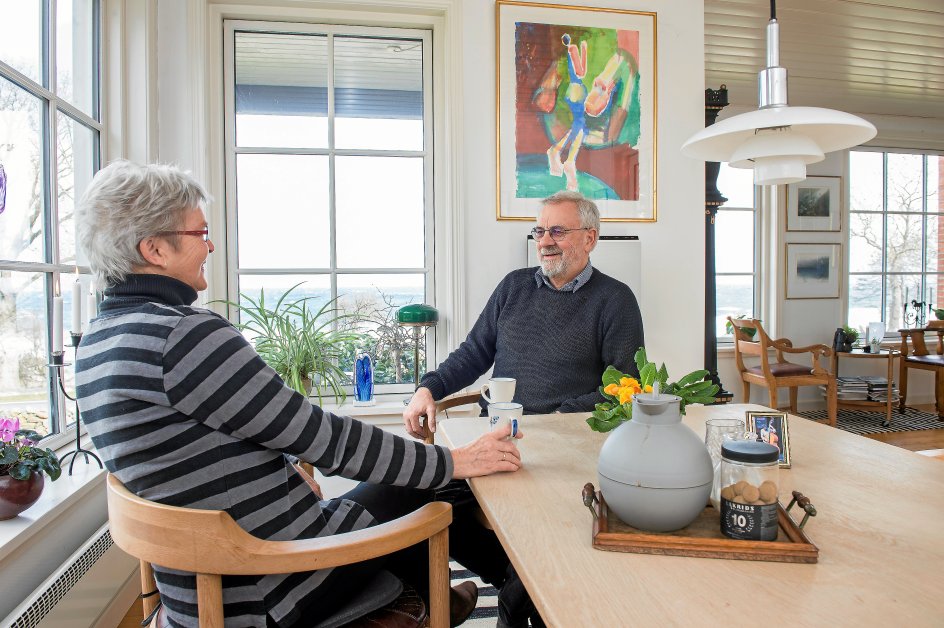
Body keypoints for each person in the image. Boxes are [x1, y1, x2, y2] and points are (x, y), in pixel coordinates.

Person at [73, 160, 523, 628]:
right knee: (443, 488)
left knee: (403, 483)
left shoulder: (101, 340)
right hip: (269, 581)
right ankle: (523, 591)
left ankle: (455, 599)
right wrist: (454, 461)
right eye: (199, 232)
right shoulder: (183, 337)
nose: (210, 245)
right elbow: (324, 439)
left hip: (204, 580)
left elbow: (210, 438)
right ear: (154, 249)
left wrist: (287, 469)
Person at [402, 189, 644, 628]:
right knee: (419, 497)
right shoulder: (513, 287)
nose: (545, 240)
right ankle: (526, 581)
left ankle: (519, 596)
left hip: (564, 448)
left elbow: (625, 387)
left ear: (590, 238)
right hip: (494, 438)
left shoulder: (616, 300)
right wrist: (428, 389)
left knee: (545, 528)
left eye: (558, 231)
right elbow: (473, 353)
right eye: (540, 230)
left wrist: (551, 419)